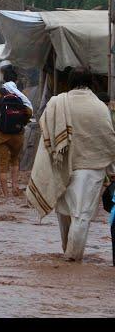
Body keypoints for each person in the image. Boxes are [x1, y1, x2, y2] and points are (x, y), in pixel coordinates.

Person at [27, 67, 115, 262]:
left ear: (69, 81)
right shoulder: (100, 107)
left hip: (61, 164)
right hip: (91, 169)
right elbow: (108, 140)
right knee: (81, 215)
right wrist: (111, 171)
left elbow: (46, 132)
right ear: (91, 82)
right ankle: (73, 258)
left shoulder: (57, 102)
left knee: (63, 212)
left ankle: (67, 251)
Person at [0, 67, 33, 197]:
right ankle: (15, 187)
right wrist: (22, 122)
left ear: (3, 79)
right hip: (18, 133)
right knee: (15, 160)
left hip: (2, 134)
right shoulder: (19, 94)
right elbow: (29, 112)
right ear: (16, 80)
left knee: (3, 164)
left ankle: (6, 195)